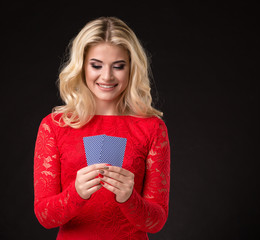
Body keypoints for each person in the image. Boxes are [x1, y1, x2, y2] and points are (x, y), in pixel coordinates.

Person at [34, 16, 170, 239]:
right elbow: (45, 217)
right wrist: (76, 193)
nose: (106, 76)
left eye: (118, 66)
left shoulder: (152, 127)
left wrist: (129, 198)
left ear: (131, 69)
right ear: (82, 66)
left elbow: (156, 221)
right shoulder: (54, 126)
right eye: (96, 65)